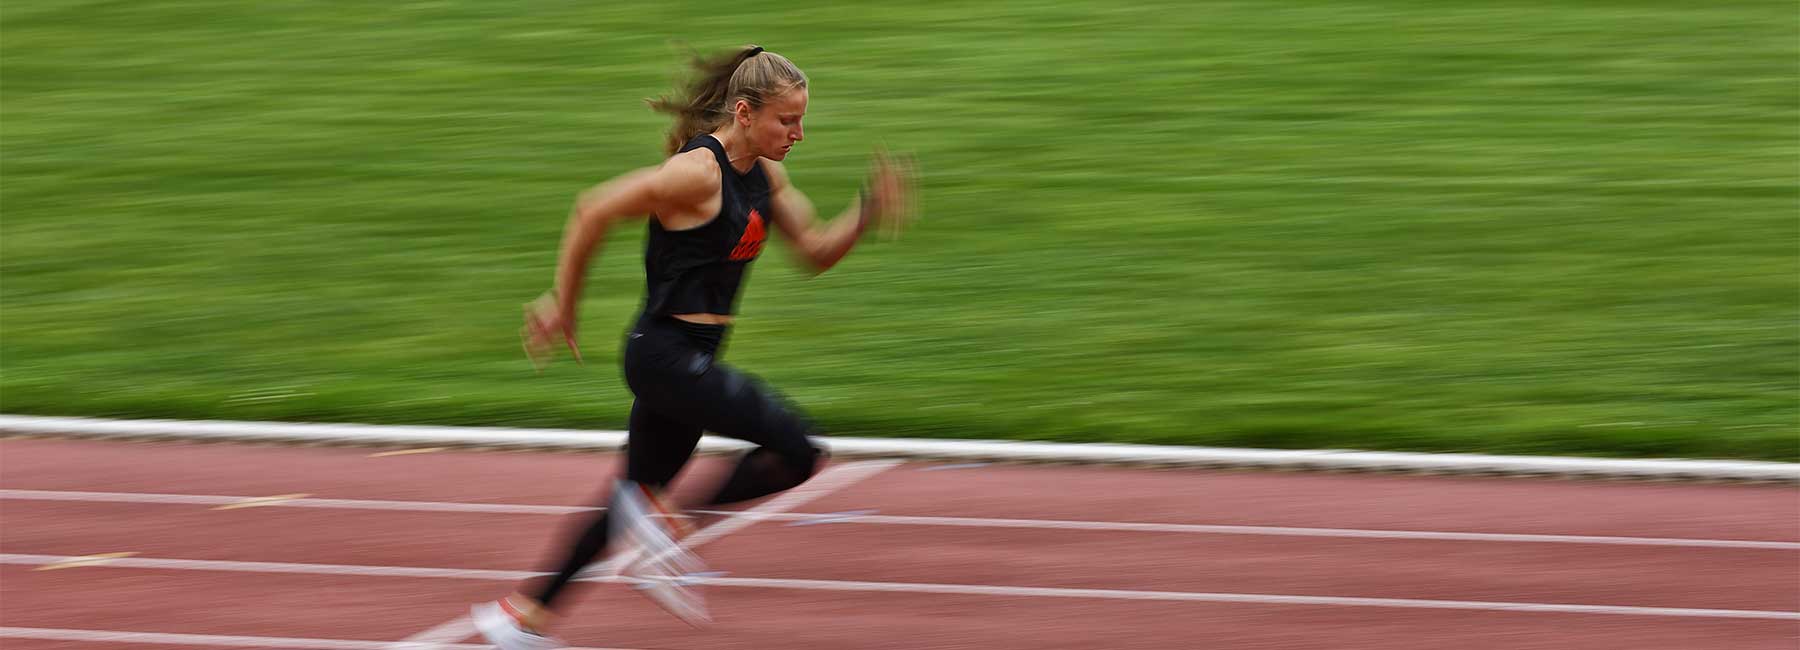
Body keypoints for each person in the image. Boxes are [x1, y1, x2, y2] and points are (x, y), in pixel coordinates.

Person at [473, 44, 914, 649]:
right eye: (788, 120)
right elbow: (592, 209)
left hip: (692, 360)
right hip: (663, 355)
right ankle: (668, 527)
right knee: (794, 448)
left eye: (802, 119)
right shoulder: (696, 173)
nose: (799, 133)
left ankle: (522, 619)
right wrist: (563, 304)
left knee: (629, 498)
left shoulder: (765, 176)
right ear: (744, 112)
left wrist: (865, 213)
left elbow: (812, 251)